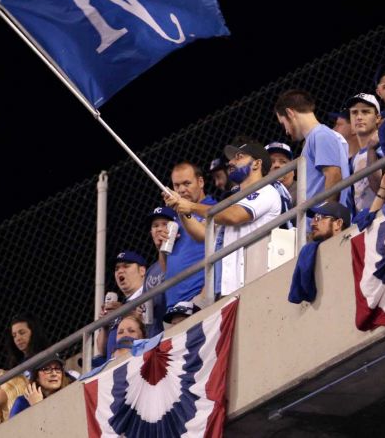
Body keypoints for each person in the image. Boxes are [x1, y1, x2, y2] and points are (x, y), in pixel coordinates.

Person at [165, 141, 281, 296]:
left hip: (251, 283)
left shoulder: (266, 191)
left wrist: (191, 206)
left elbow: (234, 216)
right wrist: (180, 207)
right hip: (225, 288)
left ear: (256, 164)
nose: (231, 162)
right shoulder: (232, 201)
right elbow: (202, 233)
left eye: (238, 157)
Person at [274, 89, 351, 210]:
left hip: (324, 221)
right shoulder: (315, 137)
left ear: (290, 113)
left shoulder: (320, 135)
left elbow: (334, 175)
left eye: (283, 124)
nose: (286, 131)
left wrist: (327, 216)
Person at [161, 161, 216, 310]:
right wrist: (160, 246)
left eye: (186, 183)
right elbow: (166, 268)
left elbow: (203, 234)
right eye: (177, 186)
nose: (182, 190)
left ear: (200, 182)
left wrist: (202, 297)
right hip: (172, 305)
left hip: (197, 298)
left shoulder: (213, 208)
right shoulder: (176, 220)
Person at [94, 251, 149, 366]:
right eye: (117, 268)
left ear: (142, 271)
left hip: (140, 364)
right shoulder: (118, 306)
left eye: (126, 266)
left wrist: (124, 311)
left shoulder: (149, 295)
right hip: (114, 369)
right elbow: (102, 350)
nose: (120, 270)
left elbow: (150, 329)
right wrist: (104, 326)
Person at [344, 93, 382, 215]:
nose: (359, 117)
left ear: (377, 118)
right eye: (354, 113)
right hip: (362, 223)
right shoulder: (353, 159)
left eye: (365, 112)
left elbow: (381, 187)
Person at [8, 357, 73, 418]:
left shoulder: (70, 394)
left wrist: (38, 406)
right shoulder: (22, 402)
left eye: (57, 368)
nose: (54, 373)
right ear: (36, 377)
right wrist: (36, 407)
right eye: (46, 369)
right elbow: (11, 429)